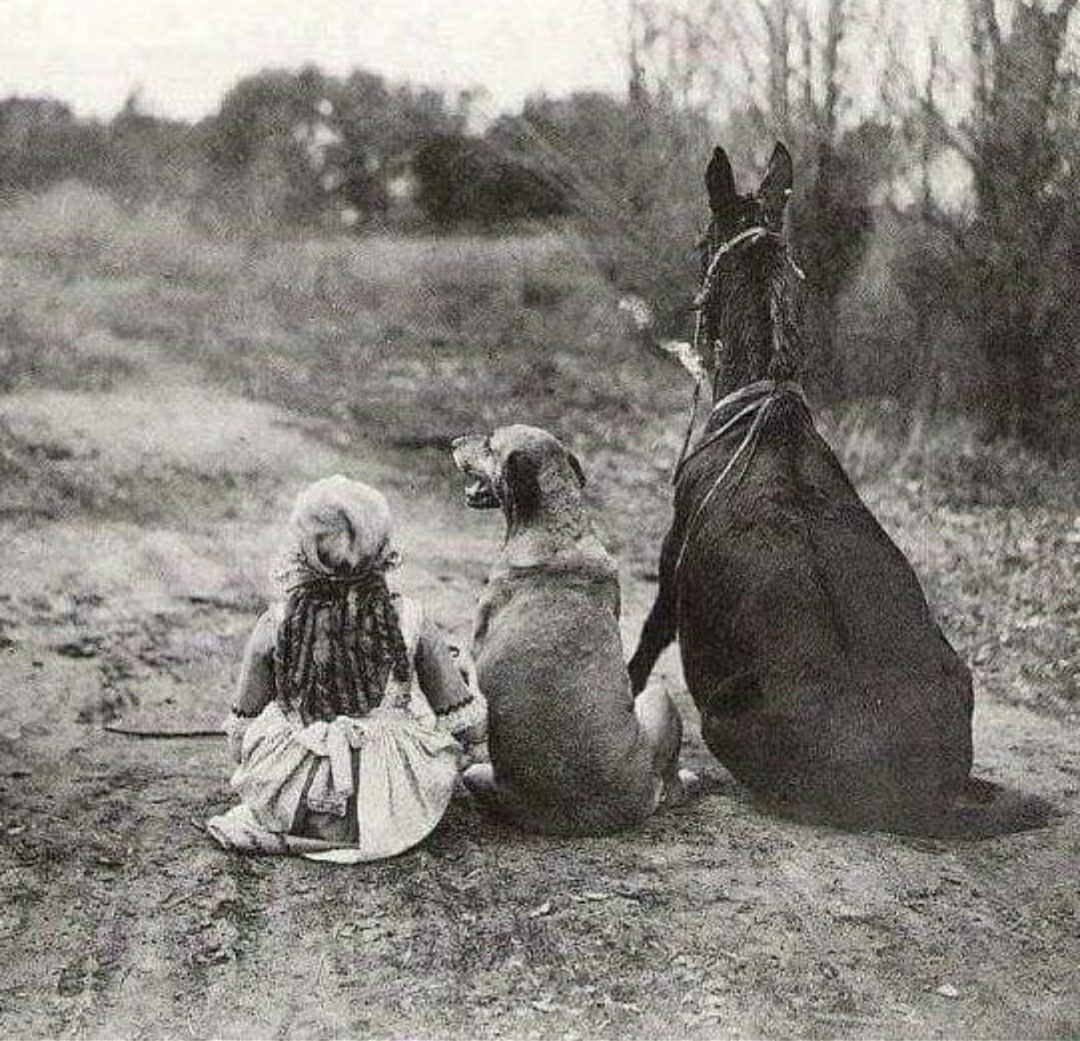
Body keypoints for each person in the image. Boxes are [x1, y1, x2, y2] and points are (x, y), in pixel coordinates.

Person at [206, 475, 486, 863]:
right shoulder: (410, 619)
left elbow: (241, 730)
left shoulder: (276, 623)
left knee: (271, 736)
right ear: (383, 548)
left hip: (291, 796)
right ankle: (361, 829)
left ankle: (300, 829)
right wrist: (469, 681)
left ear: (302, 551)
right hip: (388, 806)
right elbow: (467, 725)